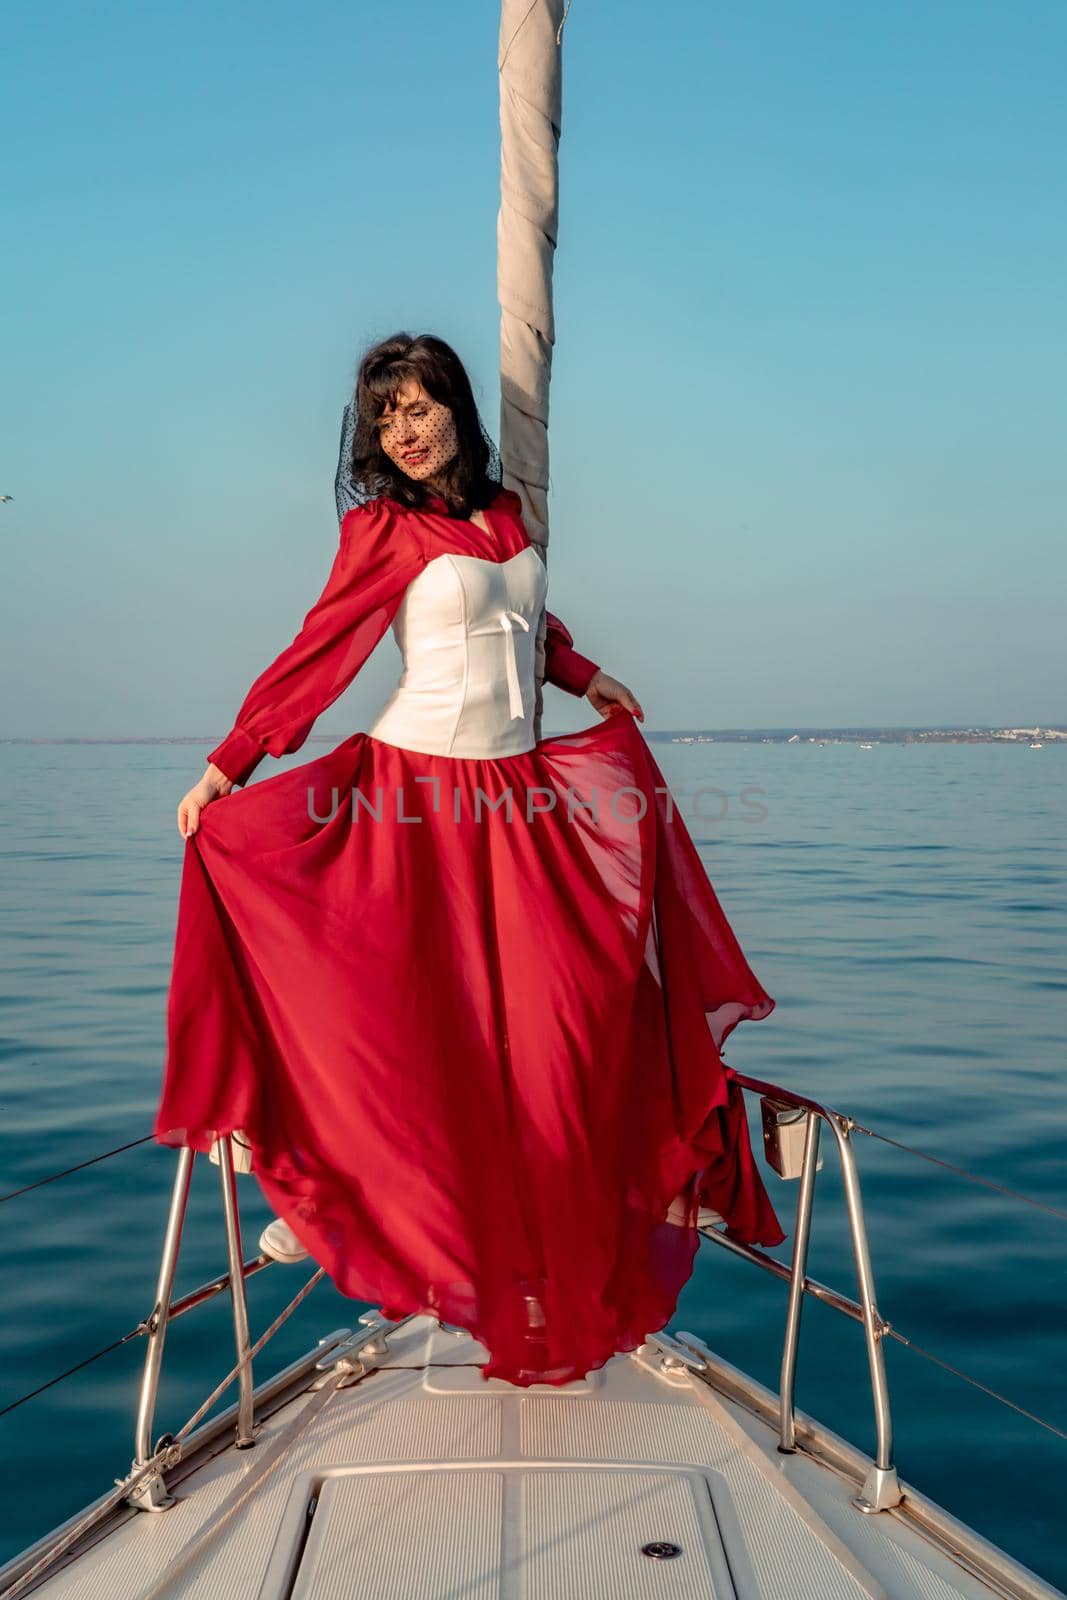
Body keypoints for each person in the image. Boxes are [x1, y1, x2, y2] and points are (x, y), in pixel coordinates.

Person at [155, 331, 785, 1388]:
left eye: (418, 406)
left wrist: (587, 676)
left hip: (517, 797)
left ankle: (653, 1170)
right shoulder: (379, 530)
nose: (401, 431)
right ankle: (333, 1197)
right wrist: (229, 765)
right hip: (412, 794)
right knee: (398, 1018)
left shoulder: (505, 516)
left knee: (578, 1006)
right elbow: (319, 653)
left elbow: (527, 621)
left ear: (454, 408)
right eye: (383, 415)